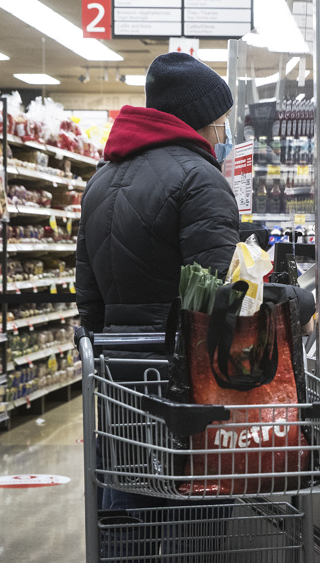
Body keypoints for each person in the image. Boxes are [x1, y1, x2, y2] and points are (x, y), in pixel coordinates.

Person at [76, 52, 242, 558]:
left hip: (121, 390)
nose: (223, 135)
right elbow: (210, 306)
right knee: (188, 537)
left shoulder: (100, 182)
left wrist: (117, 363)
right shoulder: (201, 181)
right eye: (220, 123)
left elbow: (89, 302)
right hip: (182, 400)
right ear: (199, 121)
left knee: (126, 531)